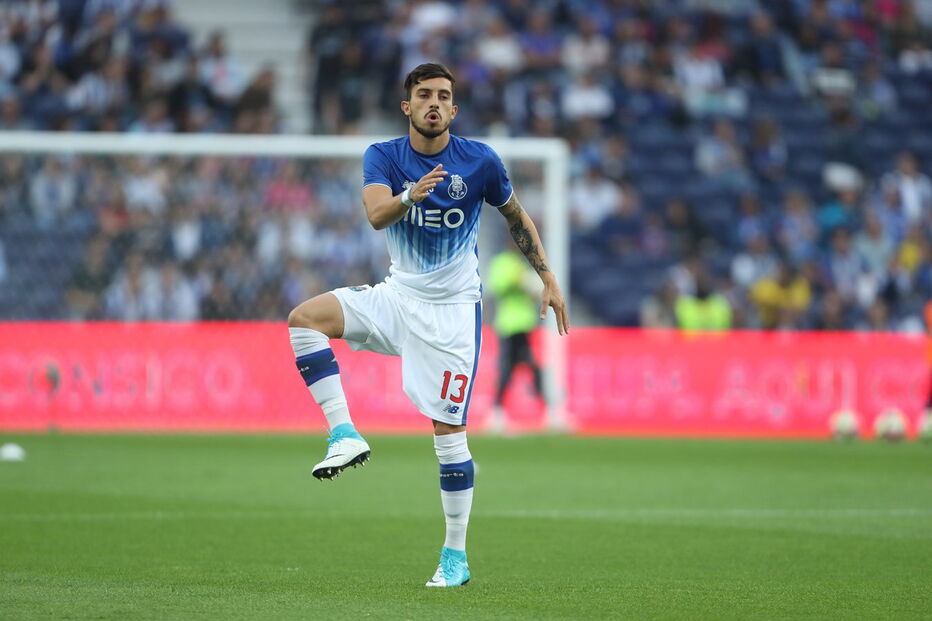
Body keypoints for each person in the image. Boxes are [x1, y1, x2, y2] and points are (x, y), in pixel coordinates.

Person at [286, 63, 569, 588]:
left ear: (454, 110)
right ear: (407, 106)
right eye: (424, 95)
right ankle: (344, 434)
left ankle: (455, 557)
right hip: (398, 295)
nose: (434, 103)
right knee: (304, 320)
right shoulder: (384, 156)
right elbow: (375, 216)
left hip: (453, 314)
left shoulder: (479, 161)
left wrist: (547, 276)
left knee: (448, 437)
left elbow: (515, 216)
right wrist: (410, 196)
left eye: (443, 96)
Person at [487, 241, 548, 433]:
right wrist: (517, 281)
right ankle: (496, 414)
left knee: (529, 368)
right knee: (512, 368)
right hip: (509, 324)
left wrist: (531, 290)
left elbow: (532, 292)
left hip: (524, 324)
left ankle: (498, 413)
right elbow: (497, 286)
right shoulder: (502, 262)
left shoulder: (522, 264)